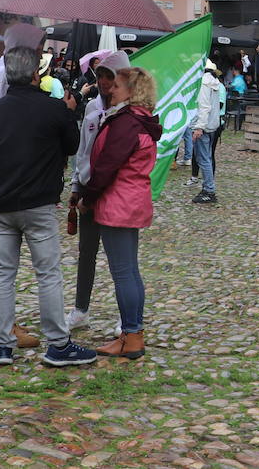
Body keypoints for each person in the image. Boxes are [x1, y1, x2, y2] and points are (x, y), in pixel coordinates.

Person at [0, 46, 94, 368]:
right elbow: (72, 146)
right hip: (38, 203)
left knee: (3, 274)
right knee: (48, 274)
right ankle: (58, 344)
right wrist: (68, 112)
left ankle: (3, 344)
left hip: (2, 205)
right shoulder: (53, 110)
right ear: (37, 74)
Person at [79, 66, 163, 359]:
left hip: (118, 203)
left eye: (116, 86)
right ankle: (132, 334)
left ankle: (132, 335)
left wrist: (87, 197)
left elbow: (106, 166)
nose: (110, 89)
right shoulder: (140, 120)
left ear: (131, 90)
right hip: (131, 200)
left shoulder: (126, 123)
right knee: (130, 271)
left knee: (123, 272)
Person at [67, 50, 130, 332]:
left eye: (109, 76)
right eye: (100, 76)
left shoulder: (129, 113)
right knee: (87, 253)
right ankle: (81, 309)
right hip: (88, 193)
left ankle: (126, 316)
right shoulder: (93, 109)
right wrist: (76, 186)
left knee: (121, 260)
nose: (104, 82)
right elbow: (82, 151)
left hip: (115, 196)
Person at [189, 60, 223, 203]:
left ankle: (209, 190)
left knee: (203, 160)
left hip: (203, 126)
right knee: (206, 159)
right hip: (212, 125)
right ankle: (208, 188)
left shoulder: (203, 83)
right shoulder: (214, 82)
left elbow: (204, 106)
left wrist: (199, 127)